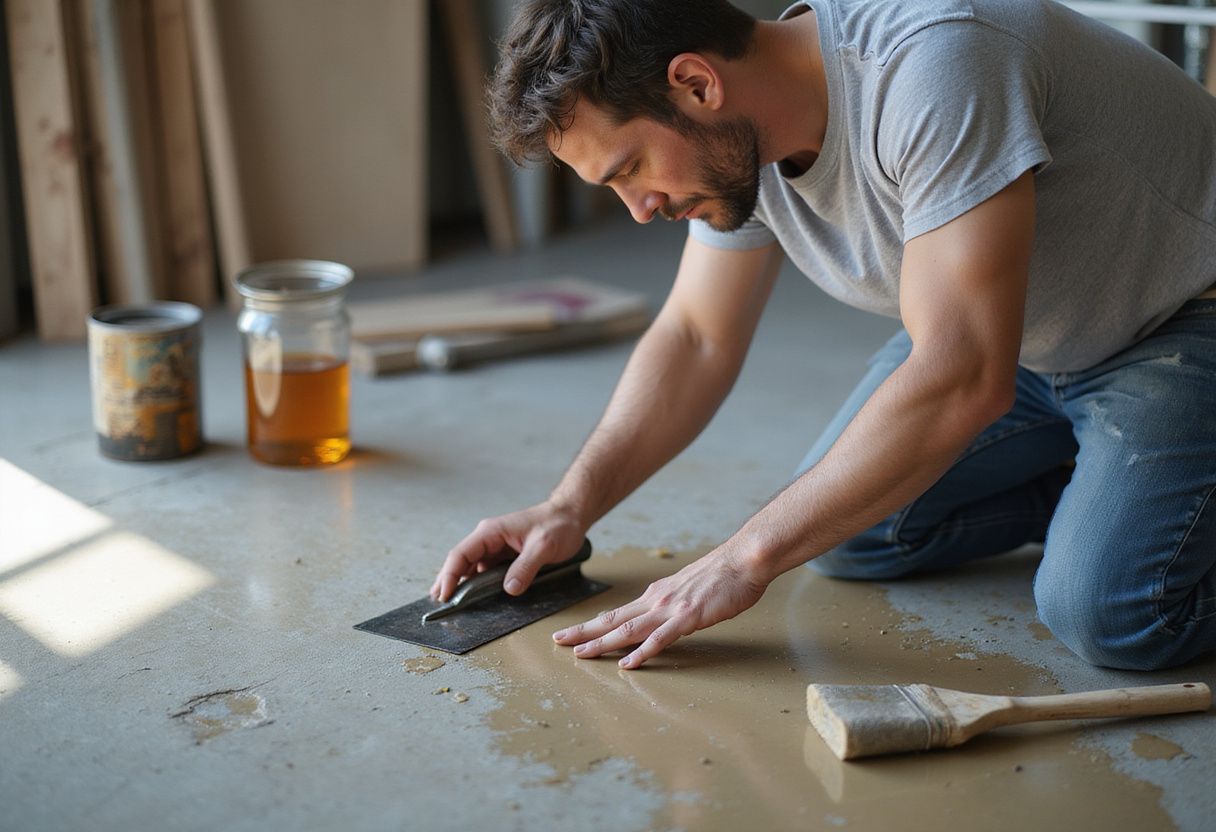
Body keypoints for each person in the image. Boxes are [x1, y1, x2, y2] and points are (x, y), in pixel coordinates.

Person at [430, 0, 1216, 671]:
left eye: (631, 167)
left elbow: (964, 371)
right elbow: (699, 335)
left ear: (696, 83)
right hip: (1019, 333)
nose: (640, 207)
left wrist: (741, 560)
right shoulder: (744, 142)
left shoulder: (936, 64)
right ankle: (1130, 493)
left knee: (1110, 614)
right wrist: (569, 507)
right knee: (849, 535)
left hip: (1180, 317)